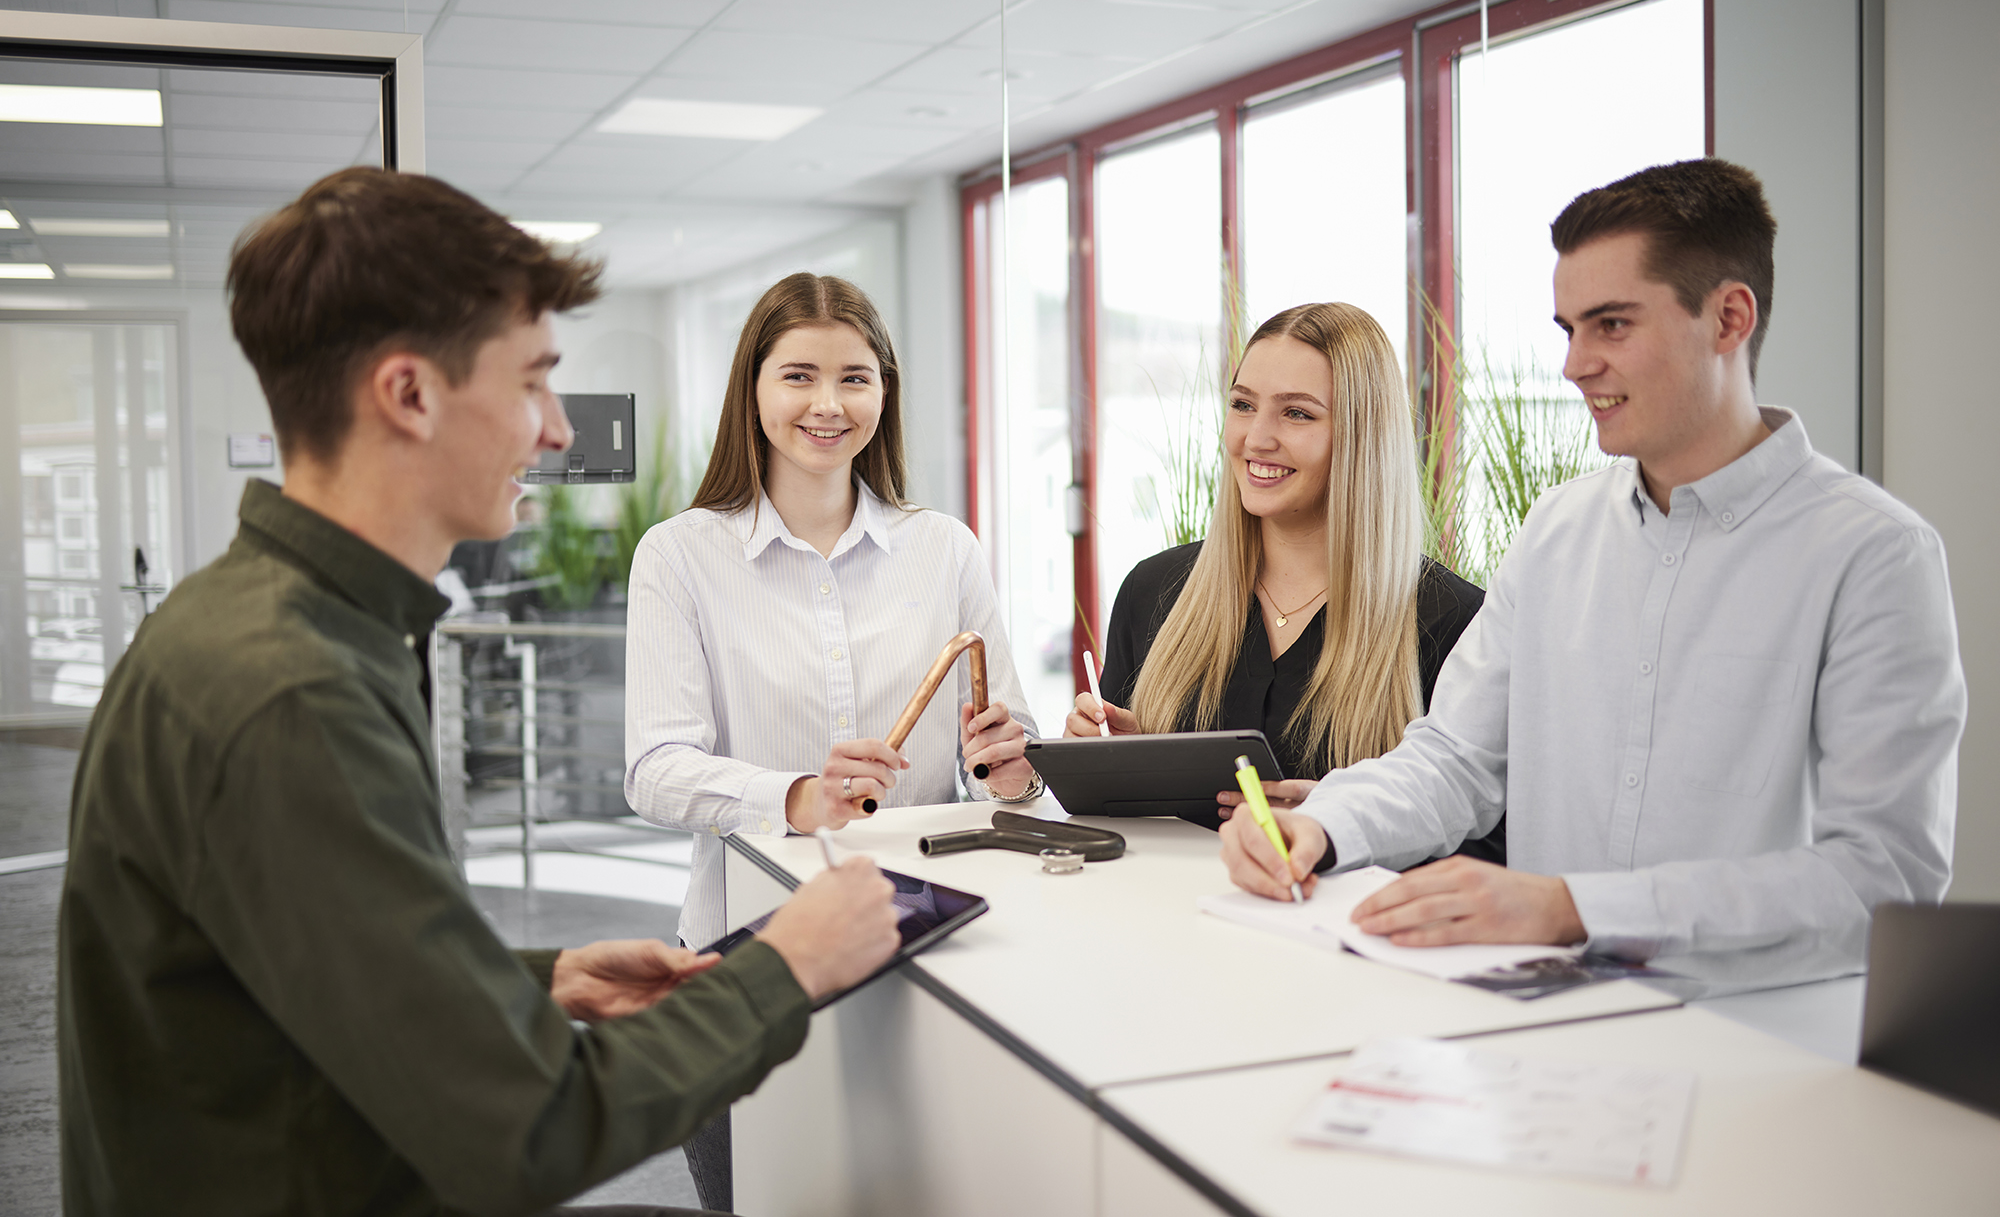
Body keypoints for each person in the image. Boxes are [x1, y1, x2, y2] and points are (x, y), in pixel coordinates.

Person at [57, 168, 906, 1217]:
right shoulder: (290, 692)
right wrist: (786, 964)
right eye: (533, 383)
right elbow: (527, 1129)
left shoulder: (271, 622)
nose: (557, 432)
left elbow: (311, 957)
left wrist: (533, 978)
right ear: (410, 394)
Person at [1222, 159, 1963, 988]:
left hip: (1758, 1031)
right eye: (1569, 329)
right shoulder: (1557, 533)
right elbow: (1456, 760)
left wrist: (1578, 907)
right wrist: (1325, 826)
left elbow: (1883, 873)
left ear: (1729, 319)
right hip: (1546, 1008)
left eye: (1611, 326)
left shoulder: (1872, 554)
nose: (1575, 364)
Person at [623, 271, 1039, 1210]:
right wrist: (798, 796)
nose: (827, 404)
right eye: (798, 376)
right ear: (753, 389)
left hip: (927, 939)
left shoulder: (945, 549)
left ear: (884, 392)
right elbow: (655, 770)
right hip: (745, 955)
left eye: (855, 378)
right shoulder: (680, 556)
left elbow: (1002, 766)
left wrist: (1013, 769)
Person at [1066, 303, 1488, 839]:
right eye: (1243, 405)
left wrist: (1349, 820)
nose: (1256, 438)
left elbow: (1491, 843)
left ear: (1363, 436)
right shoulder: (1153, 593)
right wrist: (1111, 768)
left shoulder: (1454, 622)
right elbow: (1110, 829)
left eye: (1297, 414)